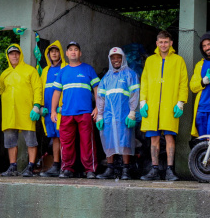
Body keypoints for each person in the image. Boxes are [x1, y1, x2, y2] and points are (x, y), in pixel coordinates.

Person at [139, 30, 187, 181]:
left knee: (169, 137)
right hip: (152, 105)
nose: (163, 45)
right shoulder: (150, 60)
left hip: (169, 105)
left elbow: (183, 83)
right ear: (157, 43)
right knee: (154, 138)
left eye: (166, 42)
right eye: (161, 42)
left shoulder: (178, 60)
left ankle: (170, 171)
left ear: (171, 43)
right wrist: (142, 102)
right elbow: (144, 81)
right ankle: (154, 170)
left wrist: (180, 103)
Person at [50, 42, 99, 178]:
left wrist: (98, 108)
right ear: (66, 53)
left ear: (80, 53)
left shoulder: (88, 69)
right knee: (66, 143)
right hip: (66, 113)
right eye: (70, 50)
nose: (73, 52)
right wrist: (53, 111)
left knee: (87, 142)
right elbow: (56, 92)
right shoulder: (63, 72)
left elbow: (97, 90)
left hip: (85, 112)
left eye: (76, 50)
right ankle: (67, 169)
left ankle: (90, 169)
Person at [0, 44, 43, 177]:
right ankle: (13, 167)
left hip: (27, 111)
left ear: (21, 54)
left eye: (17, 53)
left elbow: (38, 88)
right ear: (8, 56)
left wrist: (36, 106)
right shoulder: (4, 74)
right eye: (11, 54)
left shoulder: (30, 71)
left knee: (31, 140)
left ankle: (30, 167)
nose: (14, 56)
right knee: (10, 141)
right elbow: (1, 91)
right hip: (9, 113)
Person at [95, 47, 140, 179]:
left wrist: (132, 112)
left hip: (124, 115)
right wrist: (100, 115)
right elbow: (100, 98)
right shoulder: (105, 79)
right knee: (109, 141)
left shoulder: (130, 75)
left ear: (123, 58)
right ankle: (110, 169)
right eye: (113, 58)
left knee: (124, 141)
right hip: (109, 116)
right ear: (110, 60)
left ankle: (126, 169)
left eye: (118, 57)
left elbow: (135, 94)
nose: (116, 60)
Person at [39, 41, 65, 177]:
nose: (54, 53)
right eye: (51, 51)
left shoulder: (65, 68)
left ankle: (67, 166)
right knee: (55, 138)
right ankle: (56, 165)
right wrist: (41, 106)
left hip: (61, 111)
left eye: (56, 51)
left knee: (64, 138)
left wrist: (64, 106)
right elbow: (41, 90)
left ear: (61, 53)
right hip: (48, 112)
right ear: (48, 54)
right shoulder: (45, 71)